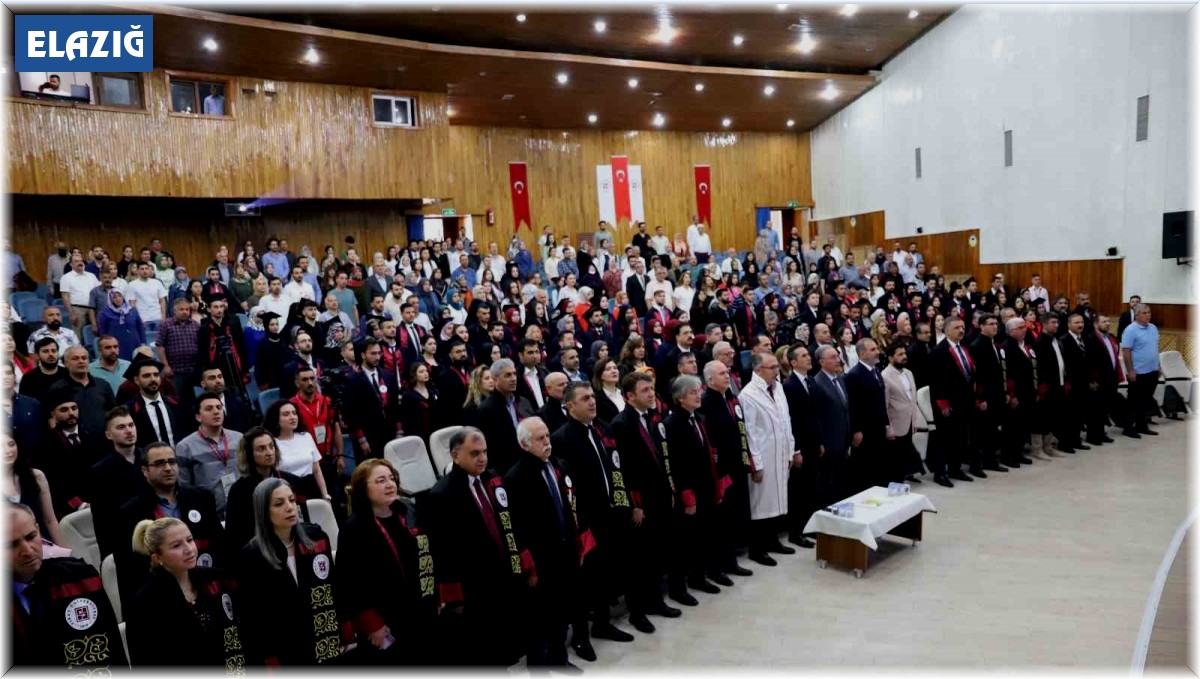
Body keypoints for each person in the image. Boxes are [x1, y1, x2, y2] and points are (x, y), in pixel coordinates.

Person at [419, 427, 537, 666]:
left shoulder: (494, 478)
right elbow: (443, 552)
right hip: (475, 586)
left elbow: (510, 523)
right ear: (455, 455)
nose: (482, 458)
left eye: (484, 451)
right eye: (474, 453)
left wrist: (525, 564)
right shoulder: (442, 495)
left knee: (509, 644)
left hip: (505, 574)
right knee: (486, 650)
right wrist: (455, 598)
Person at [550, 382, 636, 656]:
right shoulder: (561, 438)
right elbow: (567, 487)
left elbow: (616, 468)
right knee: (585, 579)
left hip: (611, 512)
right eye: (585, 399)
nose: (592, 402)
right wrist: (579, 524)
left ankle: (602, 623)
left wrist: (624, 503)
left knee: (606, 572)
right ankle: (580, 637)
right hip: (585, 519)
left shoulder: (602, 428)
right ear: (570, 405)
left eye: (592, 397)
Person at [335, 459, 446, 665]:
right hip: (384, 623)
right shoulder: (353, 529)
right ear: (363, 489)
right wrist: (372, 624)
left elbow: (431, 555)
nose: (389, 484)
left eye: (391, 478)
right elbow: (349, 583)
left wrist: (435, 597)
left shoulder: (410, 512)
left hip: (422, 612)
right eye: (380, 480)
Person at [237, 477, 351, 665]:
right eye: (279, 503)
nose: (289, 507)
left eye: (291, 500)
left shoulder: (317, 538)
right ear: (263, 510)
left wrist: (345, 631)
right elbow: (253, 616)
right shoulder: (252, 555)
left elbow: (335, 588)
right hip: (286, 647)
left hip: (325, 635)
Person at [504, 418, 586, 669]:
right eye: (540, 439)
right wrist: (529, 566)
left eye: (547, 436)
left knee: (561, 612)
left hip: (564, 550)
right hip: (541, 558)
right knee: (540, 619)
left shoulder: (556, 465)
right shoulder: (516, 477)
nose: (547, 442)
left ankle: (559, 658)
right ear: (524, 444)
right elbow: (517, 527)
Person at [9, 503, 128, 670]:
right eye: (12, 545)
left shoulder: (81, 579)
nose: (27, 550)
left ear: (38, 529)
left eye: (31, 537)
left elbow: (113, 647)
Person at [115, 442, 226, 609]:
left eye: (172, 462)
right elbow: (129, 570)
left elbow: (220, 547)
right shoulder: (130, 513)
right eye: (159, 463)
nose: (168, 468)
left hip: (206, 587)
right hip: (161, 597)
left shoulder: (201, 498)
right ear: (145, 471)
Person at [663, 374, 728, 601]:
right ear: (680, 398)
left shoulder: (698, 418)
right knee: (684, 543)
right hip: (688, 490)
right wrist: (686, 494)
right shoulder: (672, 424)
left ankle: (699, 577)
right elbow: (677, 463)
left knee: (702, 536)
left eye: (698, 391)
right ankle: (678, 588)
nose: (698, 395)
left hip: (705, 486)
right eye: (693, 392)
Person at [737, 351, 797, 566]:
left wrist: (790, 450)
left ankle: (773, 541)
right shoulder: (748, 395)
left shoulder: (778, 387)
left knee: (777, 501)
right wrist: (756, 463)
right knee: (761, 504)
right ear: (758, 370)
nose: (776, 371)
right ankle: (757, 549)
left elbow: (786, 420)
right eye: (772, 368)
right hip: (763, 456)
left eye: (776, 367)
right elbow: (749, 432)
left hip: (780, 453)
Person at [929, 317, 984, 484]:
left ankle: (955, 468)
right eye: (956, 327)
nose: (961, 330)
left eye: (962, 327)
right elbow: (935, 380)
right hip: (947, 402)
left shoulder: (965, 348)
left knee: (959, 436)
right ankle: (940, 473)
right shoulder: (939, 351)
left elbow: (971, 374)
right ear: (946, 330)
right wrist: (942, 403)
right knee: (944, 438)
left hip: (964, 399)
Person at [174, 392, 244, 519]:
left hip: (242, 507)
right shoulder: (185, 447)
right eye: (209, 409)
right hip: (210, 513)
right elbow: (185, 487)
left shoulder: (239, 438)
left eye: (219, 407)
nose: (216, 412)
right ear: (198, 417)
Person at [343, 338, 402, 461]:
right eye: (373, 353)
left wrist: (399, 430)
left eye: (379, 353)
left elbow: (396, 405)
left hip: (389, 432)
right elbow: (352, 414)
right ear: (363, 355)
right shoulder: (353, 380)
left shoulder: (387, 375)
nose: (377, 357)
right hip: (369, 435)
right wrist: (361, 439)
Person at [844, 338, 890, 492]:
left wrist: (886, 424)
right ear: (862, 354)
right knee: (865, 467)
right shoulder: (854, 375)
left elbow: (880, 400)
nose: (877, 352)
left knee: (879, 464)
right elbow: (853, 406)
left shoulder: (876, 371)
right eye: (873, 349)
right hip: (865, 430)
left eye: (876, 348)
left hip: (878, 428)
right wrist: (856, 430)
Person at [263, 399, 332, 504]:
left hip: (312, 489)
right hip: (287, 491)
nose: (292, 417)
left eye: (294, 413)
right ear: (276, 419)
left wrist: (325, 495)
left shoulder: (306, 437)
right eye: (286, 414)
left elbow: (317, 471)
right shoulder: (272, 443)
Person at [2, 431, 65, 545]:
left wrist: (65, 552)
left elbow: (50, 521)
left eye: (11, 444)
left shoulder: (36, 476)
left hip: (44, 546)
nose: (7, 451)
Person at [476, 359, 536, 475]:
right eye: (507, 375)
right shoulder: (486, 410)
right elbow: (492, 447)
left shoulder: (523, 402)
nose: (513, 379)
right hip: (507, 469)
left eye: (514, 374)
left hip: (530, 460)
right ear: (495, 379)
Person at [811, 345, 852, 505]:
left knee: (841, 480)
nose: (838, 360)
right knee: (827, 483)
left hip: (843, 440)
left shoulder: (840, 379)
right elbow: (818, 417)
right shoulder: (817, 383)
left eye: (838, 356)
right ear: (822, 362)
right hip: (829, 443)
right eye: (833, 357)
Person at [880, 343, 925, 484]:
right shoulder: (885, 376)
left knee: (905, 457)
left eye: (904, 353)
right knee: (895, 461)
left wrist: (915, 420)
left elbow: (912, 400)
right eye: (900, 354)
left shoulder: (908, 373)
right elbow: (885, 404)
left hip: (909, 422)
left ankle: (902, 482)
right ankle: (894, 485)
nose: (904, 357)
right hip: (895, 424)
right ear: (890, 358)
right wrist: (888, 428)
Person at [125, 354, 188, 449]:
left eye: (156, 375)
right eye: (147, 376)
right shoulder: (130, 410)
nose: (153, 379)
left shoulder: (178, 404)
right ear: (137, 380)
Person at [1121, 303, 1160, 439]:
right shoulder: (1130, 330)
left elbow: (1155, 348)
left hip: (1152, 371)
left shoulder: (1153, 328)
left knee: (1146, 400)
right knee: (1133, 401)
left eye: (1149, 312)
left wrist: (1159, 366)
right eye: (1144, 313)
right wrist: (1130, 371)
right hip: (1138, 372)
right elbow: (1126, 351)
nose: (1148, 315)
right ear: (1136, 315)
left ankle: (1142, 425)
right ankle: (1128, 427)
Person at [400, 362, 441, 447]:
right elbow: (406, 418)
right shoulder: (409, 395)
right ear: (414, 375)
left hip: (435, 430)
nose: (425, 374)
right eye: (421, 372)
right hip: (418, 433)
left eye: (426, 371)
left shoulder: (433, 391)